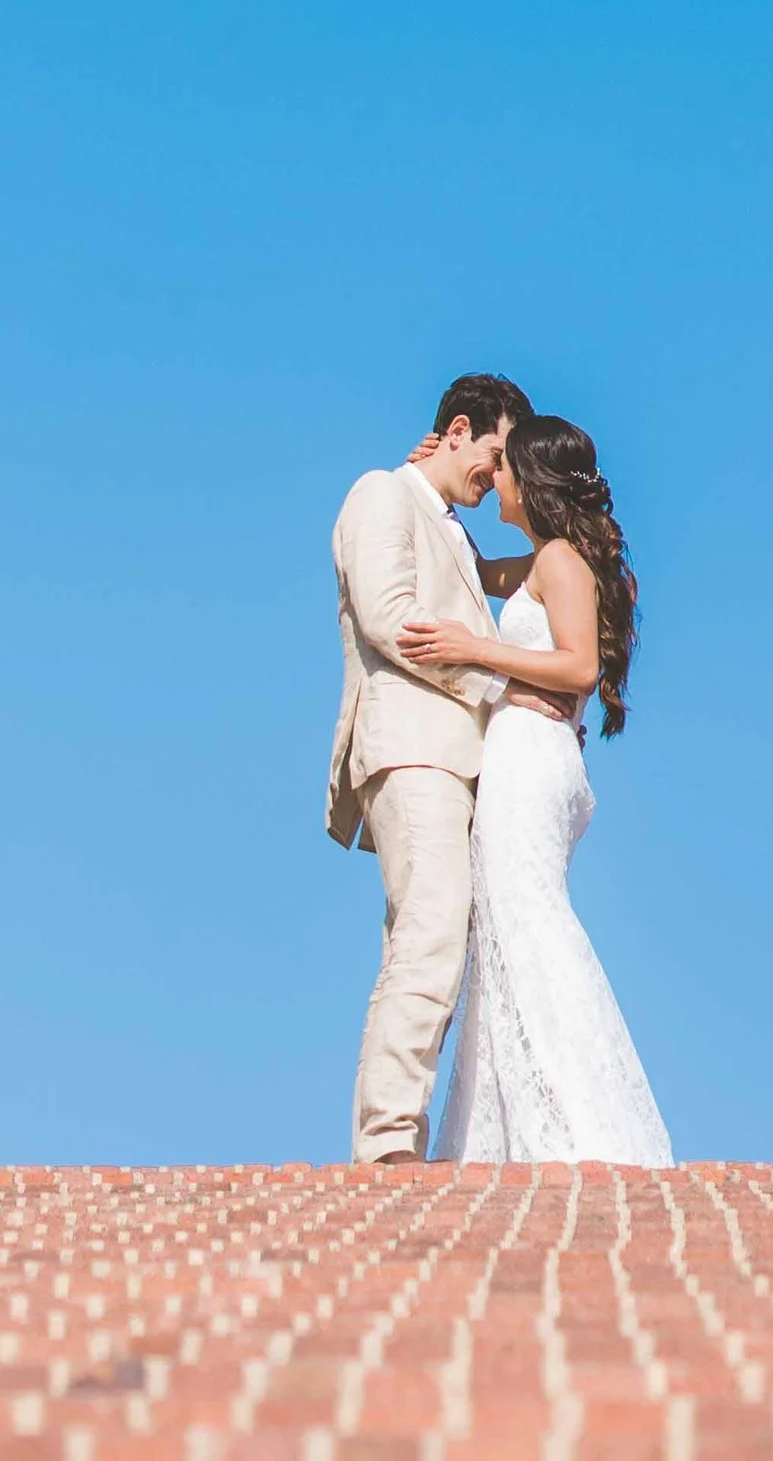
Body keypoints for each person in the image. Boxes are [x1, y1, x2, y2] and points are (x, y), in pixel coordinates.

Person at [399, 411, 673, 1164]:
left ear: (534, 479)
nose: (496, 480)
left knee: (528, 921)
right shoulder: (542, 562)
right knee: (505, 927)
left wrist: (473, 648)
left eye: (505, 469)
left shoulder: (559, 560)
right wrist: (427, 480)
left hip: (530, 757)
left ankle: (580, 1121)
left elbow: (579, 666)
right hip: (524, 753)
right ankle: (518, 1126)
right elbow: (468, 569)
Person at [327, 371, 536, 1165]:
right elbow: (389, 615)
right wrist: (501, 686)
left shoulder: (453, 527)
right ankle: (386, 1145)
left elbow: (481, 584)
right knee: (431, 934)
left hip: (456, 762)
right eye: (494, 451)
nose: (497, 472)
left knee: (432, 938)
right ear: (456, 430)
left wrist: (570, 549)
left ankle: (395, 1132)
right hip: (414, 748)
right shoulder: (382, 492)